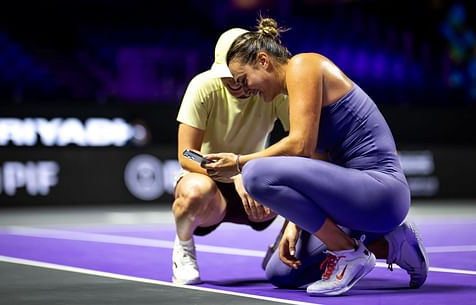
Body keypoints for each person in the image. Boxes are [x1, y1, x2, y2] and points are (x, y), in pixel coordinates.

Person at [203, 17, 429, 296]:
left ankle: (348, 252)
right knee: (281, 272)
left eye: (243, 80)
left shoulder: (303, 66)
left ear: (263, 61)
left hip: (381, 193)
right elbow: (314, 165)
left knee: (254, 174)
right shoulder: (297, 97)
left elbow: (299, 146)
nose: (245, 90)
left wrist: (238, 162)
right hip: (354, 201)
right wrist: (293, 224)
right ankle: (395, 244)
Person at [171, 27, 290, 285]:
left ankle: (283, 244)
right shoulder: (203, 86)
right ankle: (184, 250)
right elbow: (186, 155)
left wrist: (249, 174)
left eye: (239, 77)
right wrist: (234, 173)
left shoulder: (269, 89)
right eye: (228, 77)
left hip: (253, 188)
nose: (235, 84)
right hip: (210, 185)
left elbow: (301, 145)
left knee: (297, 180)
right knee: (192, 192)